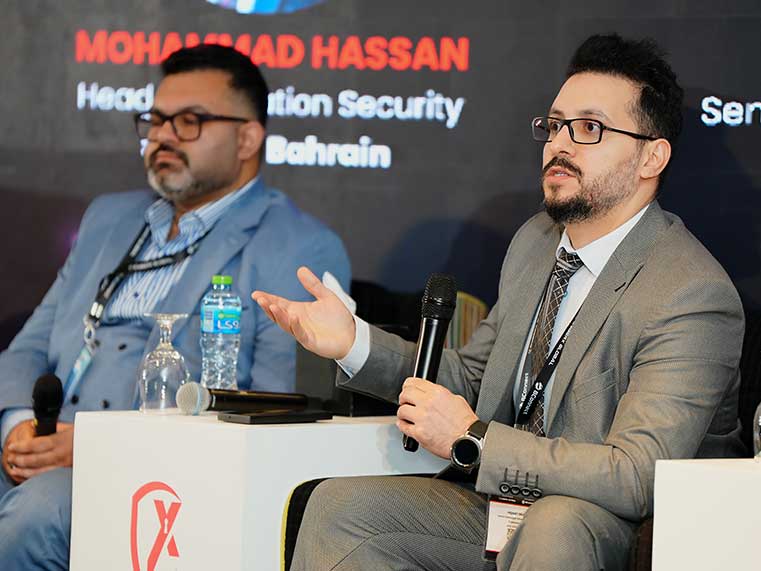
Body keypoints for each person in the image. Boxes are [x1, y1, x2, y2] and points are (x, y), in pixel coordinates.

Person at [253, 34, 744, 570]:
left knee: (556, 523)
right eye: (555, 125)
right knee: (341, 508)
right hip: (506, 501)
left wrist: (475, 439)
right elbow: (471, 382)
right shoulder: (536, 242)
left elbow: (637, 475)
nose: (560, 145)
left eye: (589, 128)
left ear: (652, 157)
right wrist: (353, 342)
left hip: (616, 527)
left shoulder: (690, 291)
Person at [0, 44, 350, 569]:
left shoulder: (297, 247)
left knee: (37, 514)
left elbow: (280, 411)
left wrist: (100, 447)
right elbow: (28, 348)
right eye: (156, 120)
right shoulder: (109, 218)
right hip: (45, 452)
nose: (163, 136)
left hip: (155, 474)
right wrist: (19, 427)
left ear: (247, 139)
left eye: (189, 121)